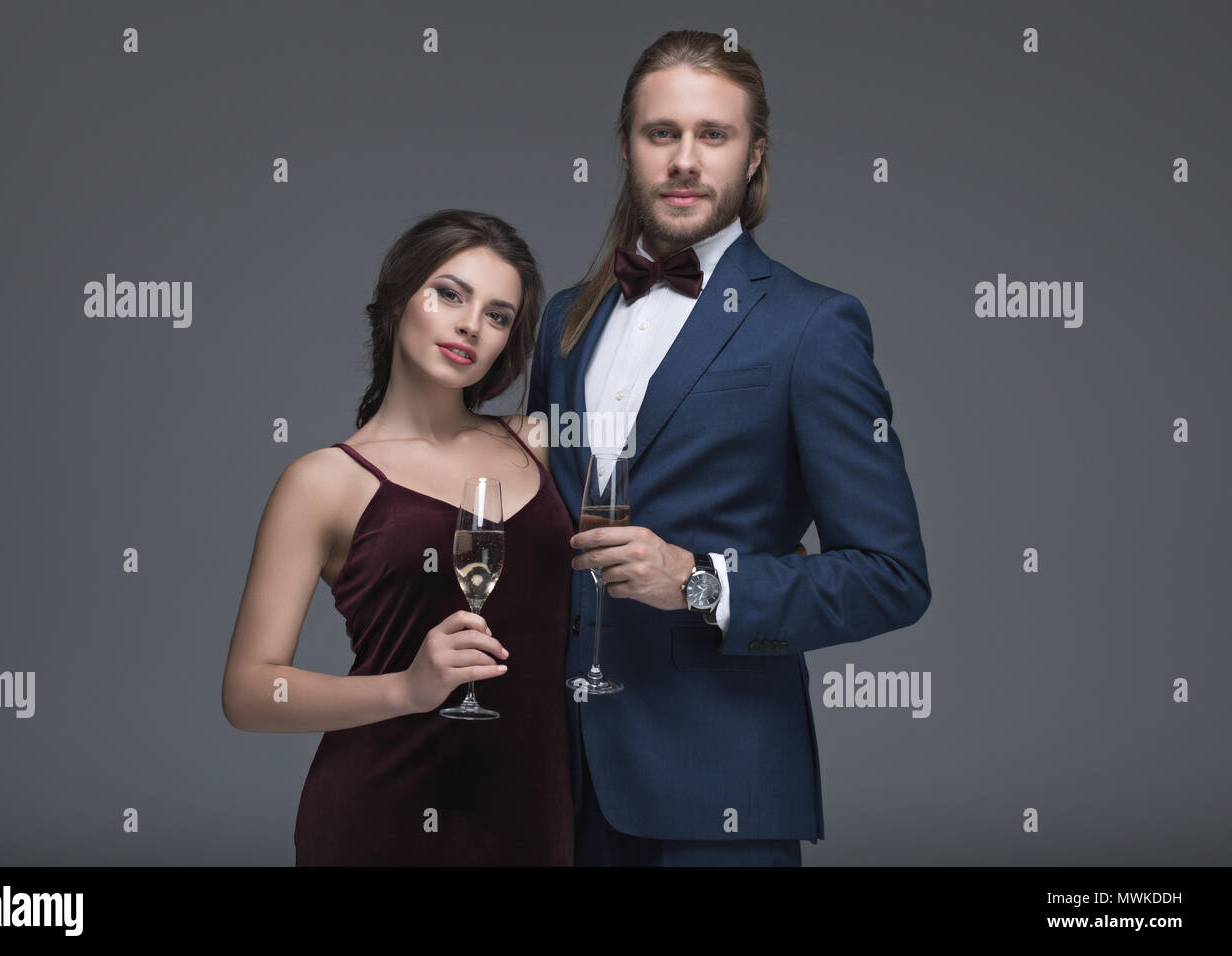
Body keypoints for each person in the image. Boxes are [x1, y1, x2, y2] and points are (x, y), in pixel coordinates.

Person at [526, 30, 931, 866]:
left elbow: (893, 577)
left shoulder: (814, 326)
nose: (684, 159)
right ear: (628, 147)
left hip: (720, 789)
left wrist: (703, 584)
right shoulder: (564, 318)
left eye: (713, 134)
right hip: (551, 786)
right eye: (660, 133)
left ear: (753, 157)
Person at [222, 209, 575, 865]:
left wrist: (747, 558)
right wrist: (406, 689)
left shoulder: (540, 444)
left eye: (499, 315)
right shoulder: (322, 481)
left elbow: (643, 536)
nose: (472, 324)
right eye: (450, 293)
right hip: (381, 817)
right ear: (396, 299)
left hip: (537, 815)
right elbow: (248, 692)